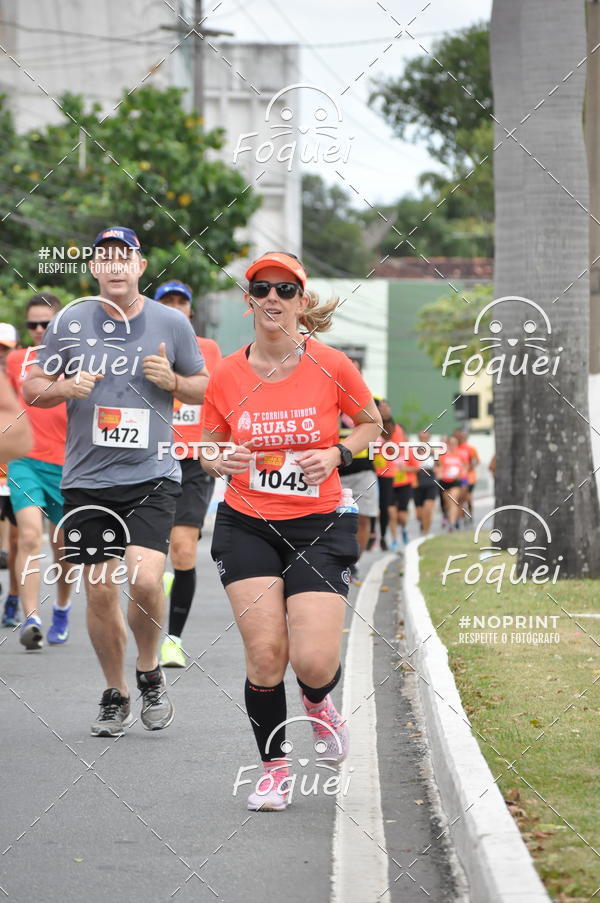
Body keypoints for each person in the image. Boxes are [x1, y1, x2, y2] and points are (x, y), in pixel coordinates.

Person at [200, 251, 382, 811]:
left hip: (319, 523)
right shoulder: (226, 374)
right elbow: (208, 443)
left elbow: (371, 423)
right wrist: (219, 461)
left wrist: (337, 453)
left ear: (302, 302)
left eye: (285, 289)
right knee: (264, 654)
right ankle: (274, 770)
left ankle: (318, 702)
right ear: (248, 300)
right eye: (262, 289)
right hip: (246, 523)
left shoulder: (331, 364)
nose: (272, 298)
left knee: (314, 661)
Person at [23, 226, 208, 737]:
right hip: (88, 480)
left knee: (145, 579)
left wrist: (173, 381)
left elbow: (202, 387)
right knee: (101, 589)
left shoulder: (171, 322)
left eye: (124, 257)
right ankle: (116, 692)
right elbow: (32, 386)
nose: (115, 266)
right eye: (105, 258)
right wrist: (64, 387)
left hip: (152, 475)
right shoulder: (70, 321)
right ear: (94, 269)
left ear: (140, 267)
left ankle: (149, 669)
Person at [153, 280, 222, 668]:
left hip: (194, 457)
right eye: (167, 301)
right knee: (149, 553)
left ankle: (173, 640)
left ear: (191, 310)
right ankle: (162, 579)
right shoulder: (143, 345)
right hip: (151, 455)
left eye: (182, 301)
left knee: (183, 547)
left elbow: (221, 396)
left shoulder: (208, 348)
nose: (175, 306)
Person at [6, 294, 72, 647]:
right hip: (25, 460)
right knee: (30, 537)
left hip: (68, 464)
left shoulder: (77, 357)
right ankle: (31, 619)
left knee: (63, 548)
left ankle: (62, 606)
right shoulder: (15, 360)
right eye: (32, 324)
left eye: (45, 323)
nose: (38, 329)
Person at [338, 357, 379, 573]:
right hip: (333, 471)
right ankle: (336, 559)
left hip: (363, 470)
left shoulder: (374, 400)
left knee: (363, 518)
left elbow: (388, 430)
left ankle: (354, 562)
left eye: (355, 371)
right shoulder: (327, 397)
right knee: (335, 521)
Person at [372, 399, 402, 551]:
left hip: (386, 472)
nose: (382, 410)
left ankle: (383, 536)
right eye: (380, 408)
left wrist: (384, 441)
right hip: (370, 470)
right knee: (371, 504)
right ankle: (371, 534)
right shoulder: (370, 424)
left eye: (385, 408)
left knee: (384, 506)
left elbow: (394, 450)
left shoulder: (394, 428)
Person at [392, 425, 418, 545]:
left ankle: (404, 529)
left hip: (405, 484)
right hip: (390, 484)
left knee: (401, 514)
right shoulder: (386, 449)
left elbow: (416, 468)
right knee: (392, 513)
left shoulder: (408, 450)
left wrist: (405, 469)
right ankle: (394, 539)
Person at [436, 435, 467, 530]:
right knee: (447, 503)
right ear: (448, 444)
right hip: (444, 481)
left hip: (455, 481)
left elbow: (465, 467)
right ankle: (450, 518)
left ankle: (452, 524)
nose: (452, 445)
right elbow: (438, 466)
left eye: (454, 443)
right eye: (450, 443)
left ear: (457, 444)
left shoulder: (461, 454)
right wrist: (439, 473)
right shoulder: (442, 454)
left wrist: (462, 478)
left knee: (453, 500)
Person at [412, 429, 438, 536]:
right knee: (419, 514)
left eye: (425, 438)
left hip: (430, 481)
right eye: (421, 438)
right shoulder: (413, 452)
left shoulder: (434, 453)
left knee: (428, 508)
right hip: (417, 482)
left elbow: (440, 466)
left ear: (429, 439)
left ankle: (425, 533)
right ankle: (423, 524)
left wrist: (438, 471)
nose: (423, 440)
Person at [455, 429, 480, 520]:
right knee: (460, 497)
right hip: (458, 477)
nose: (460, 438)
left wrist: (469, 468)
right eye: (459, 436)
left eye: (462, 436)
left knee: (467, 497)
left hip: (469, 478)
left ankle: (470, 513)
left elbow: (476, 461)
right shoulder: (454, 448)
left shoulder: (470, 449)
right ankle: (461, 517)